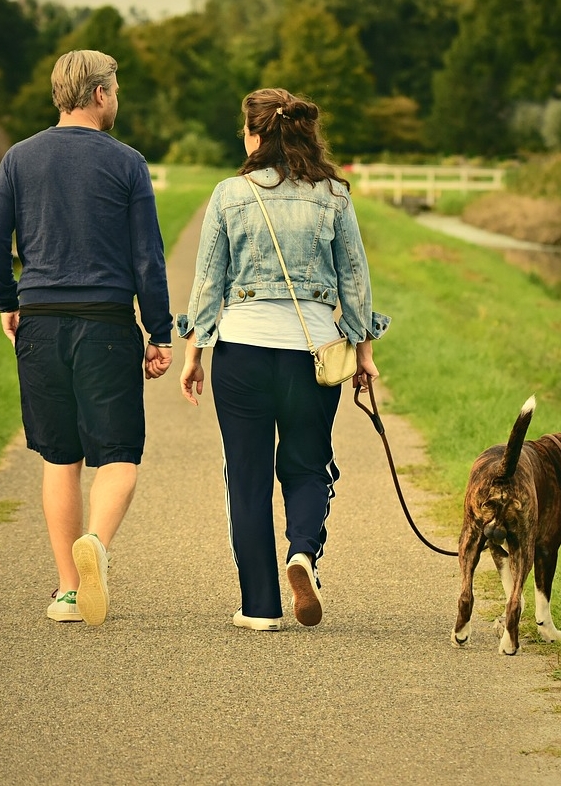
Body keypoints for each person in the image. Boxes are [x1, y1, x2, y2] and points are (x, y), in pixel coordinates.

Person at [176, 88, 390, 631]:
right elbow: (356, 282)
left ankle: (259, 607)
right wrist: (363, 354)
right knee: (307, 465)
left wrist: (194, 354)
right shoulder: (334, 197)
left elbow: (208, 283)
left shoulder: (228, 195)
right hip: (312, 355)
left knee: (246, 478)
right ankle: (302, 553)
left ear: (256, 134)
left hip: (242, 352)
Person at [0, 50, 173, 626]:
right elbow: (147, 258)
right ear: (98, 95)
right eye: (115, 89)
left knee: (60, 457)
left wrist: (7, 301)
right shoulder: (128, 164)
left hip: (39, 321)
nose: (117, 99)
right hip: (106, 324)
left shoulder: (18, 159)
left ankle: (68, 588)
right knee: (117, 455)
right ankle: (96, 543)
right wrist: (158, 333)